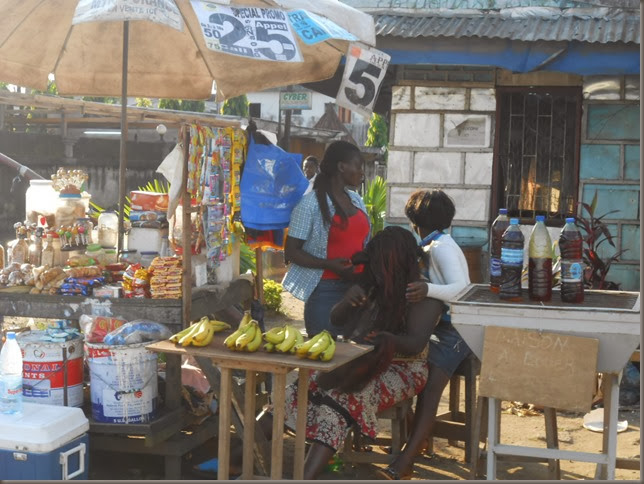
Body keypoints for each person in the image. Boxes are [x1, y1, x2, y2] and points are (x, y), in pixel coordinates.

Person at [245, 226, 444, 479]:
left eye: (381, 265)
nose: (375, 271)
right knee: (300, 387)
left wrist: (387, 339)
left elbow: (415, 344)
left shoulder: (423, 296)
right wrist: (346, 304)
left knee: (343, 397)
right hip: (359, 360)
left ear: (398, 263)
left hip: (404, 369)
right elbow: (337, 320)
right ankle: (236, 458)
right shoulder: (373, 286)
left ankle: (306, 476)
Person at [378, 189, 472, 480]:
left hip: (459, 330)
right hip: (440, 327)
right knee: (407, 372)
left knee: (430, 387)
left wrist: (428, 290)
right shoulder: (431, 245)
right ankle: (418, 441)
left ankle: (407, 458)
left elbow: (463, 290)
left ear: (414, 220)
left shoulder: (442, 247)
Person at [282, 141, 370, 337]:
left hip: (357, 288)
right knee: (324, 358)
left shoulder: (356, 200)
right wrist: (329, 264)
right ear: (341, 167)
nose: (361, 172)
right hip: (324, 291)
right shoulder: (309, 205)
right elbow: (291, 251)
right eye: (358, 166)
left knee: (353, 356)